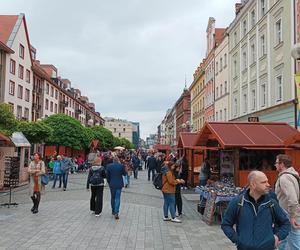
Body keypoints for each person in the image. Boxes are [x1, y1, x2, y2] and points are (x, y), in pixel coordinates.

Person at [221, 171, 290, 250]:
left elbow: (285, 223)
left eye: (267, 181)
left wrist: (277, 237)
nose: (268, 184)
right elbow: (226, 224)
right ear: (253, 184)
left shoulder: (271, 203)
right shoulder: (238, 202)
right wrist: (237, 240)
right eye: (263, 182)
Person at [274, 154, 300, 250]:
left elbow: (292, 199)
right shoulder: (294, 175)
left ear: (282, 164)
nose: (275, 165)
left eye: (276, 163)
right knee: (282, 240)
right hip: (289, 213)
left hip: (289, 214)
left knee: (295, 243)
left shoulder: (285, 178)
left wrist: (292, 216)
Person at [106, 155, 126, 220]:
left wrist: (109, 182)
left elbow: (107, 176)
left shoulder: (109, 166)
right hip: (119, 184)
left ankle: (113, 211)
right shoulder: (121, 166)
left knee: (112, 197)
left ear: (113, 160)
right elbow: (124, 174)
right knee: (117, 198)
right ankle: (116, 212)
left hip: (112, 184)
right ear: (118, 160)